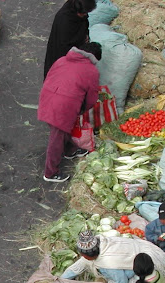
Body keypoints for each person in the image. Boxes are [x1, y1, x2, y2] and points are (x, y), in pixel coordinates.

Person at [38, 42, 101, 182]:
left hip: (47, 97)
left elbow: (50, 76)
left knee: (61, 130)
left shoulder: (62, 60)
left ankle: (70, 150)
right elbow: (91, 97)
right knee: (56, 138)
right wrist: (83, 110)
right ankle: (50, 172)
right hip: (63, 106)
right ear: (95, 58)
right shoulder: (91, 71)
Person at [61, 230, 165, 283]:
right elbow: (78, 266)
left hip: (149, 264)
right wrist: (61, 279)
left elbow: (122, 282)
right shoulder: (102, 244)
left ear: (89, 255)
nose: (82, 257)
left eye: (83, 255)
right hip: (140, 255)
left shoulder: (108, 262)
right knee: (113, 281)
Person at [44, 0, 96, 78]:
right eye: (84, 13)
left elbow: (83, 26)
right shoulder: (65, 20)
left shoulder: (78, 13)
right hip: (63, 59)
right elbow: (65, 47)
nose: (86, 15)